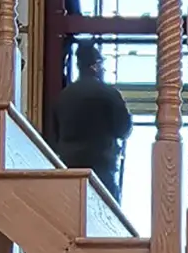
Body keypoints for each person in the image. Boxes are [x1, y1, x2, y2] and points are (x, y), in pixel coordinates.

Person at [44, 38, 132, 198]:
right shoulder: (108, 94)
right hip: (102, 169)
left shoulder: (63, 97)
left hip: (69, 170)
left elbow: (52, 138)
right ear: (96, 65)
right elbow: (124, 129)